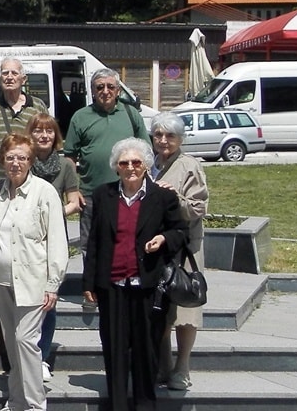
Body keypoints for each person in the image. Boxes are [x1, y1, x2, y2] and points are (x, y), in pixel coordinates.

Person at [82, 138, 188, 411]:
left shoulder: (163, 197)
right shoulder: (103, 195)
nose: (130, 167)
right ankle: (117, 404)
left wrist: (163, 239)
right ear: (116, 167)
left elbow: (180, 232)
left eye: (136, 162)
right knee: (115, 350)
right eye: (124, 163)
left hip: (148, 286)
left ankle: (144, 404)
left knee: (146, 350)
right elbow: (94, 242)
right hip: (113, 284)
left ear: (146, 166)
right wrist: (89, 282)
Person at [0, 133, 69, 411]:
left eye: (23, 158)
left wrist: (53, 283)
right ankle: (15, 401)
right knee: (11, 344)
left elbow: (57, 240)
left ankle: (35, 404)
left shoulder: (44, 192)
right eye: (11, 157)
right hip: (0, 281)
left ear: (30, 161)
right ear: (2, 159)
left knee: (25, 341)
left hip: (33, 281)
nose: (16, 163)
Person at [150, 112, 208, 392]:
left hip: (185, 247)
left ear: (180, 139)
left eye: (170, 135)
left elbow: (198, 208)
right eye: (158, 135)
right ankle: (162, 365)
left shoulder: (189, 166)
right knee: (160, 307)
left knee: (185, 309)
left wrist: (174, 196)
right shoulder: (150, 164)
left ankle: (182, 367)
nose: (163, 140)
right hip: (158, 245)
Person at [64, 68, 150, 255]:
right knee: (90, 245)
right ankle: (90, 284)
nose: (105, 91)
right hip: (90, 195)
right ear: (92, 91)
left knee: (124, 244)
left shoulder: (131, 114)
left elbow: (146, 152)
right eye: (100, 87)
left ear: (118, 90)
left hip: (127, 193)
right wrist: (73, 190)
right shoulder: (80, 117)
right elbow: (69, 157)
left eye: (110, 86)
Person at [26, 113, 82, 382]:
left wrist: (54, 211)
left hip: (53, 237)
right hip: (27, 238)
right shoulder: (23, 160)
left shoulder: (65, 165)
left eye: (49, 131)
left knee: (48, 300)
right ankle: (24, 354)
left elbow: (74, 201)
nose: (44, 136)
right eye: (38, 131)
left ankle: (43, 356)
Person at [0, 57, 49, 184]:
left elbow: (47, 143)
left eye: (14, 73)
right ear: (0, 79)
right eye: (5, 73)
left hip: (30, 184)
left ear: (23, 79)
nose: (9, 77)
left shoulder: (37, 107)